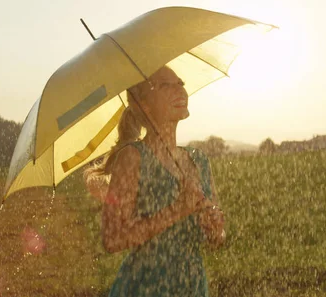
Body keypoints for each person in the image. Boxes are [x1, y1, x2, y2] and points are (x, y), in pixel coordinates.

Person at [84, 65, 226, 296]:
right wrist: (178, 209)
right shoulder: (132, 158)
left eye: (180, 83)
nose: (179, 90)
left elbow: (217, 239)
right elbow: (112, 239)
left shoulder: (199, 160)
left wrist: (215, 229)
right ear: (145, 105)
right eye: (165, 86)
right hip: (146, 286)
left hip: (192, 285)